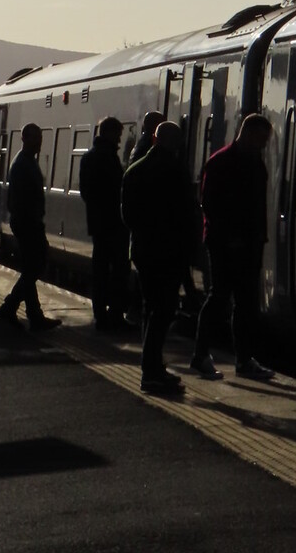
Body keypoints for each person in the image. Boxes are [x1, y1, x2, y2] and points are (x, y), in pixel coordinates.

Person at [191, 112, 273, 379]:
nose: (263, 144)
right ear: (246, 133)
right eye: (261, 138)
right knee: (219, 297)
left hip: (250, 244)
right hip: (224, 244)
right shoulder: (220, 162)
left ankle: (244, 359)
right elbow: (209, 204)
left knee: (246, 302)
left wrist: (258, 237)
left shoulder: (256, 164)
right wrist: (230, 237)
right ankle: (200, 355)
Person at [121, 120, 199, 392]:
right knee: (163, 311)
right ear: (178, 144)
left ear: (154, 140)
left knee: (150, 308)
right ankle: (151, 371)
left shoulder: (134, 170)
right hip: (169, 253)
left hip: (143, 250)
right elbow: (186, 216)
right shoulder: (176, 172)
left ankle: (152, 367)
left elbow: (127, 216)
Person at [0, 123, 60, 330]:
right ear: (24, 138)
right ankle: (10, 306)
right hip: (27, 222)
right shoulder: (23, 164)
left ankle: (34, 314)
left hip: (27, 221)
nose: (39, 142)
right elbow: (21, 198)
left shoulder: (25, 161)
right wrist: (33, 220)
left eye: (40, 138)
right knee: (35, 267)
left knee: (30, 268)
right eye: (35, 138)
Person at [79, 116, 130, 332]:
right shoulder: (108, 158)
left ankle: (100, 315)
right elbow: (116, 191)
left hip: (97, 224)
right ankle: (115, 316)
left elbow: (86, 192)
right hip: (113, 224)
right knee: (118, 272)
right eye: (118, 134)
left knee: (99, 271)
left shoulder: (89, 157)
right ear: (109, 133)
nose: (119, 139)